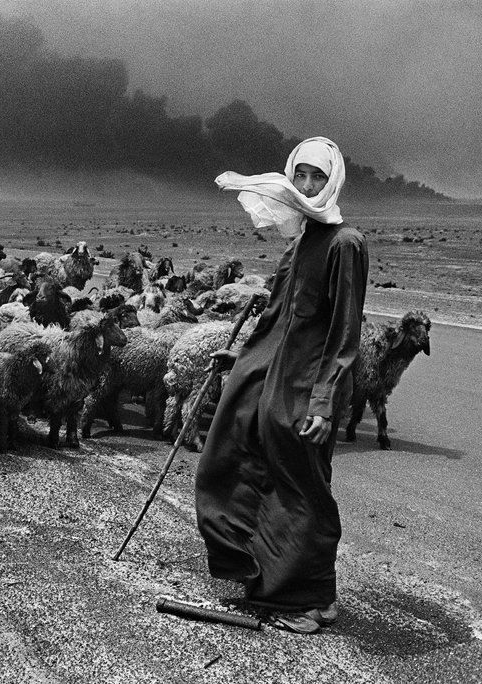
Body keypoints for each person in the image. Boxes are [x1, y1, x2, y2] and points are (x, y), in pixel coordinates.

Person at [195, 137, 369, 634]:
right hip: (273, 379)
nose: (308, 186)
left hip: (307, 390)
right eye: (301, 176)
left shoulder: (345, 244)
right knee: (232, 465)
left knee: (303, 492)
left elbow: (344, 331)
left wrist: (324, 401)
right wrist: (243, 358)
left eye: (318, 176)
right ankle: (273, 582)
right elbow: (279, 319)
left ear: (333, 181)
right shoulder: (301, 243)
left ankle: (313, 601)